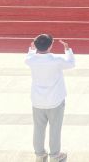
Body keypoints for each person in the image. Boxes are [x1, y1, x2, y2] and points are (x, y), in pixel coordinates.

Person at [25, 34, 75, 162]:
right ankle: (54, 155)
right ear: (51, 45)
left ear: (35, 46)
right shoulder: (56, 60)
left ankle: (39, 155)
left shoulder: (31, 60)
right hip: (55, 101)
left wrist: (31, 49)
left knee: (38, 129)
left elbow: (29, 56)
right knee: (55, 129)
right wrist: (68, 50)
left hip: (37, 101)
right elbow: (71, 63)